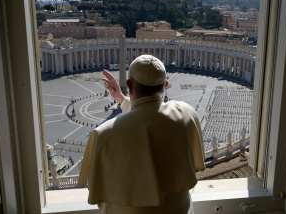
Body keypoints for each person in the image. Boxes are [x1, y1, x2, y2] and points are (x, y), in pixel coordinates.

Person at [78, 55, 205, 214]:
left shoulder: (103, 134)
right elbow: (150, 113)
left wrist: (124, 99)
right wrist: (122, 100)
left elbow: (99, 194)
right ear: (165, 85)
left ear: (129, 84)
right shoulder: (187, 113)